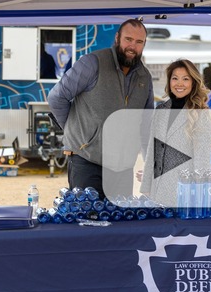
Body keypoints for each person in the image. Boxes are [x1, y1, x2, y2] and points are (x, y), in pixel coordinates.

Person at [48, 19, 154, 198]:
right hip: (87, 161)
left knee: (119, 223)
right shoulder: (92, 63)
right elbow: (57, 97)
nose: (132, 46)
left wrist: (149, 163)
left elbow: (146, 123)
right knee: (86, 221)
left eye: (139, 42)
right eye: (128, 39)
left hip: (123, 168)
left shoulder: (145, 77)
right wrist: (76, 134)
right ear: (117, 37)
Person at [140, 59, 211, 206]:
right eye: (175, 78)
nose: (179, 83)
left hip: (184, 193)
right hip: (157, 190)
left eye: (185, 79)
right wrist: (146, 187)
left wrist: (198, 195)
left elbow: (202, 158)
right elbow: (151, 151)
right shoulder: (160, 110)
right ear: (169, 81)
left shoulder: (201, 113)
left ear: (193, 82)